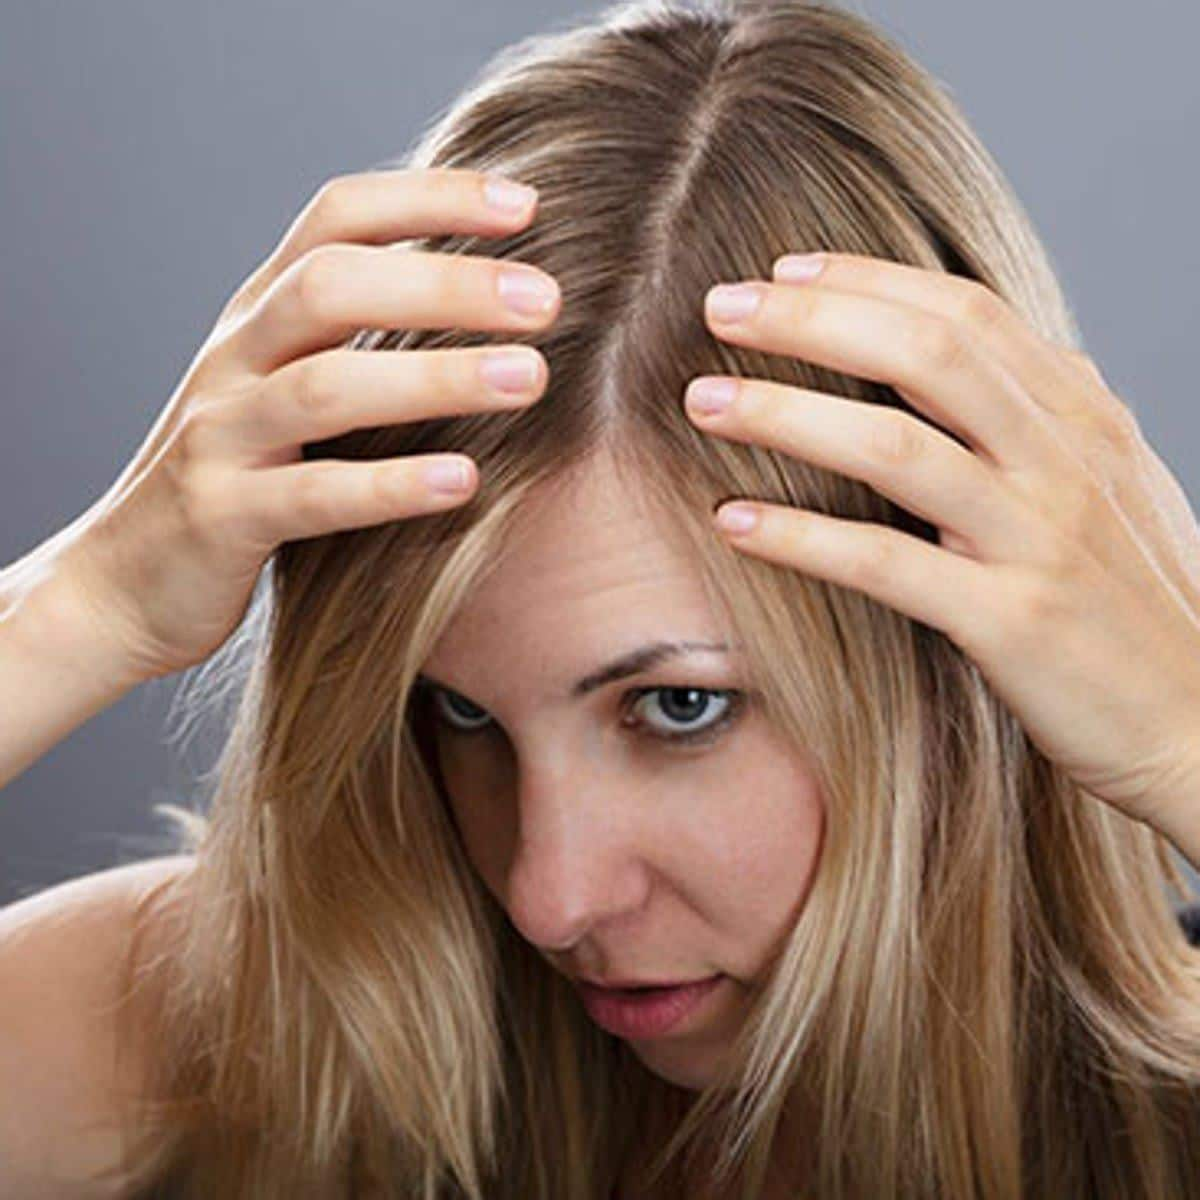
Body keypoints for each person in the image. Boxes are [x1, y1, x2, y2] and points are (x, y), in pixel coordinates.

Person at [4, 0, 1200, 1195]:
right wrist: (79, 610)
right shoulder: (274, 1039)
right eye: (460, 715)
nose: (548, 895)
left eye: (677, 706)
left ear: (969, 652)